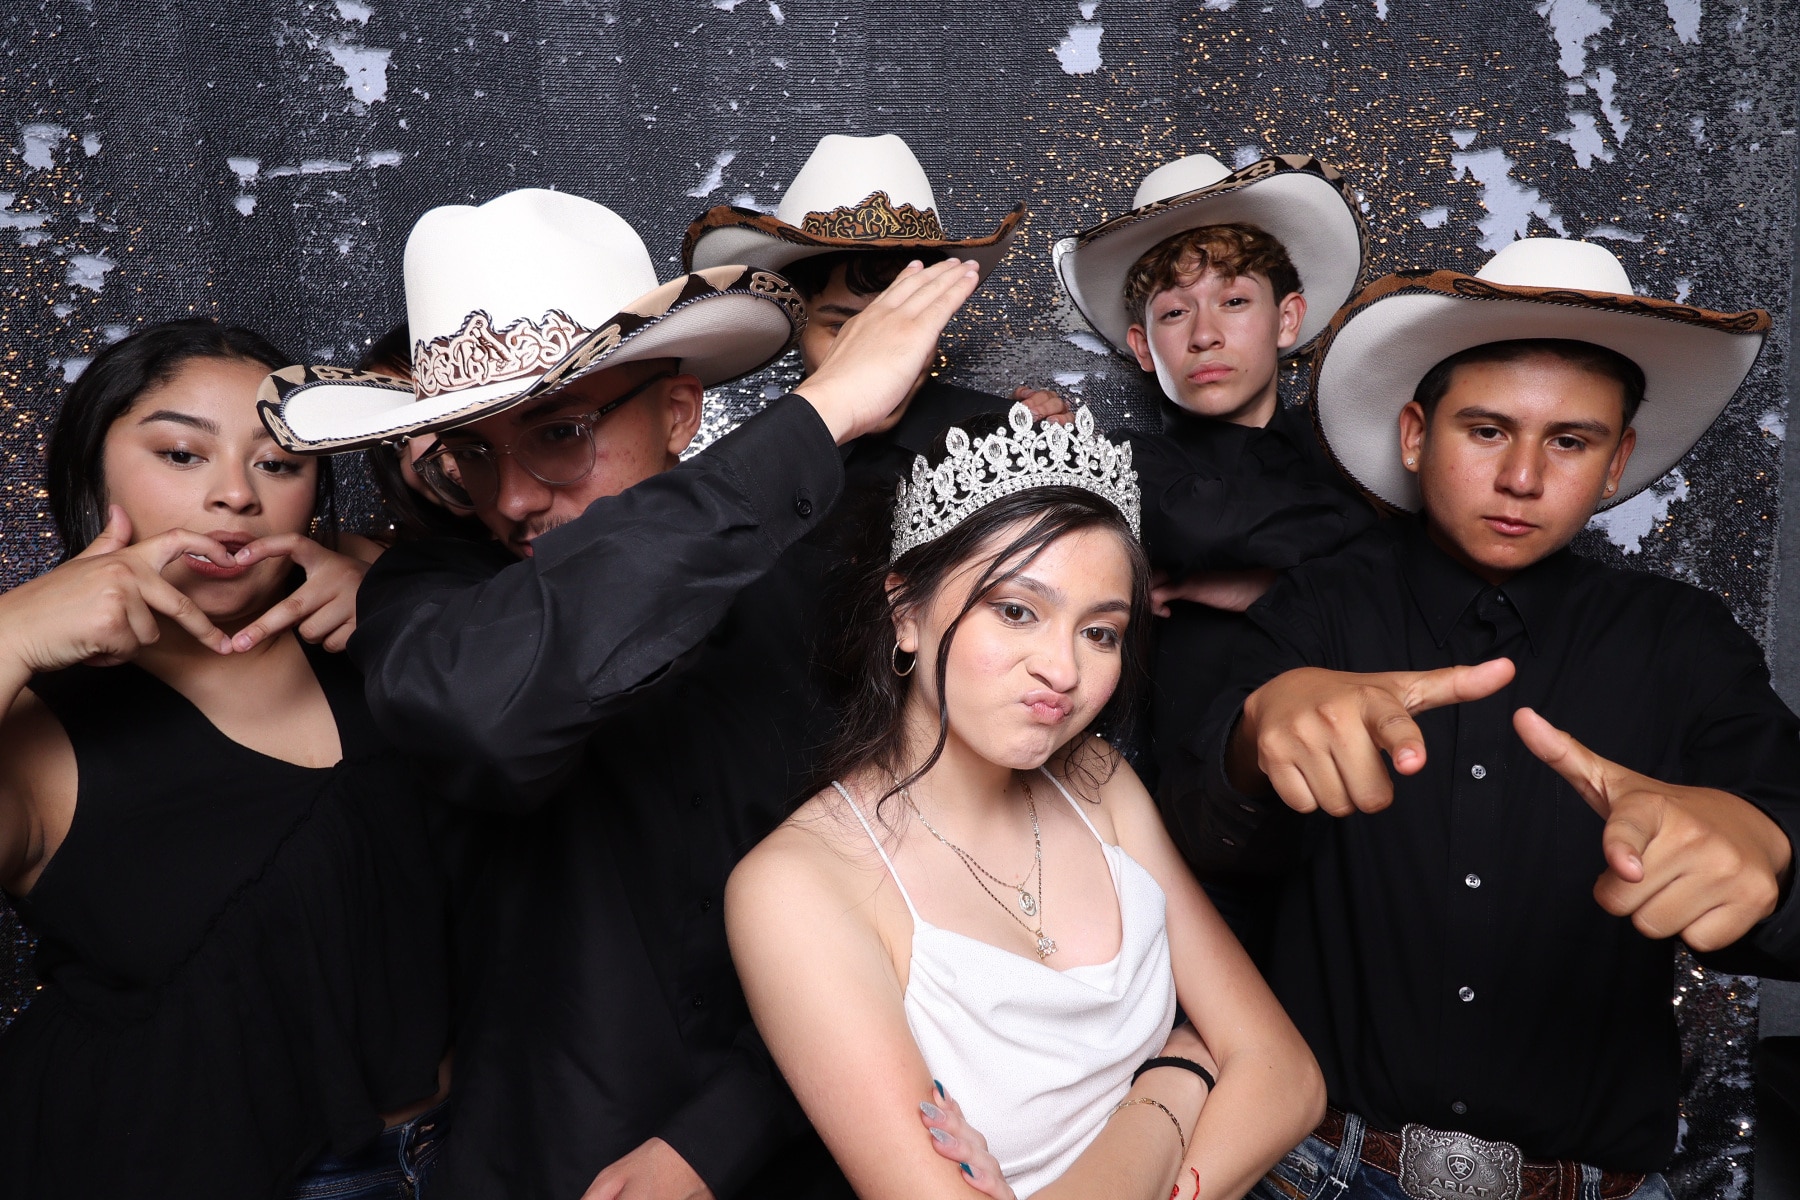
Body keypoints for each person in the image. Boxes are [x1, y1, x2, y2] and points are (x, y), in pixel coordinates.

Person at [260, 186, 985, 1200]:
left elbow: (900, 886)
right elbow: (484, 717)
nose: (512, 498)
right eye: (473, 453)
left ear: (680, 413)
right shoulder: (430, 599)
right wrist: (818, 416)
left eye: (558, 434)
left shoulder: (823, 580)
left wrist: (716, 1138)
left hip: (823, 1144)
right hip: (549, 1166)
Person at [1178, 237, 1800, 1200]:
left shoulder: (1684, 642)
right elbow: (1182, 836)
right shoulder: (1318, 609)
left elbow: (1784, 866)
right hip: (1313, 1173)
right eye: (1486, 430)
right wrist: (1257, 734)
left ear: (1616, 461)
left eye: (1570, 442)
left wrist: (1766, 849)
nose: (1522, 478)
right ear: (1416, 435)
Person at [727, 402, 1324, 1200]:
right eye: (1017, 611)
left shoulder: (1097, 780)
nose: (1064, 671)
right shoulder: (796, 886)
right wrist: (1177, 1078)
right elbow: (1237, 1067)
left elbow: (1289, 1079)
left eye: (1100, 632)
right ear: (906, 610)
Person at [0, 318, 453, 1198]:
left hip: (471, 1153)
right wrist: (12, 634)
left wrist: (404, 604)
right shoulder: (36, 726)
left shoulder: (380, 605)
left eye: (277, 463)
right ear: (91, 468)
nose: (236, 495)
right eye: (182, 454)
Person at [1052, 151, 1375, 946]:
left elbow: (1386, 561)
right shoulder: (1132, 461)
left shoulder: (1351, 462)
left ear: (1288, 320)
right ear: (1141, 346)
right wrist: (1273, 565)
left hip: (1353, 840)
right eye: (1174, 314)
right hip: (1186, 841)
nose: (1205, 334)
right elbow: (1201, 526)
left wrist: (1235, 586)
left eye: (1234, 301)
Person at [685, 132, 1059, 510]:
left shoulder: (1009, 450)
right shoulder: (740, 479)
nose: (875, 355)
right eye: (841, 328)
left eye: (905, 323)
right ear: (795, 327)